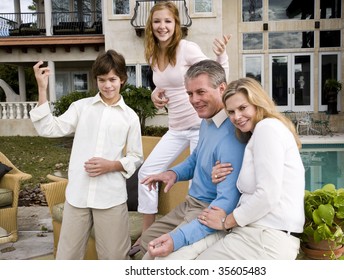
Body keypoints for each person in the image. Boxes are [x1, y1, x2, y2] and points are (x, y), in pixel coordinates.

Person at [134, 1, 231, 253]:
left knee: (196, 188)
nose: (162, 26)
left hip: (200, 126)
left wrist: (221, 55)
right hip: (176, 127)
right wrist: (155, 93)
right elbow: (165, 85)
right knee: (147, 172)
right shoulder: (154, 55)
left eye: (167, 21)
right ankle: (146, 232)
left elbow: (214, 74)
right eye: (157, 21)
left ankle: (187, 239)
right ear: (151, 25)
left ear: (176, 24)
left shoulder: (187, 48)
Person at [30, 50, 143, 260]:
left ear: (123, 79)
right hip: (78, 196)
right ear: (96, 80)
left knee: (114, 259)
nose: (107, 85)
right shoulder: (80, 108)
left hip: (111, 197)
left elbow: (136, 156)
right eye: (102, 80)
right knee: (67, 258)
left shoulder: (130, 117)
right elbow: (49, 129)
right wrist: (42, 89)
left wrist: (112, 165)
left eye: (112, 79)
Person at [139, 59, 246, 259]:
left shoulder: (233, 135)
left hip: (206, 209)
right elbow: (196, 157)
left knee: (153, 254)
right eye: (190, 93)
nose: (194, 99)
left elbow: (227, 201)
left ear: (222, 88)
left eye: (200, 92)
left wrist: (177, 239)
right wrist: (173, 173)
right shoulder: (207, 121)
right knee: (146, 239)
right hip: (190, 202)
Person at [195, 77, 305, 260]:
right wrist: (220, 174)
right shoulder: (259, 133)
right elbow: (254, 182)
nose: (236, 116)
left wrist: (225, 222)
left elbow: (267, 195)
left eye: (242, 108)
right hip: (257, 234)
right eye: (231, 112)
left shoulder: (267, 129)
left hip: (266, 239)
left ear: (257, 104)